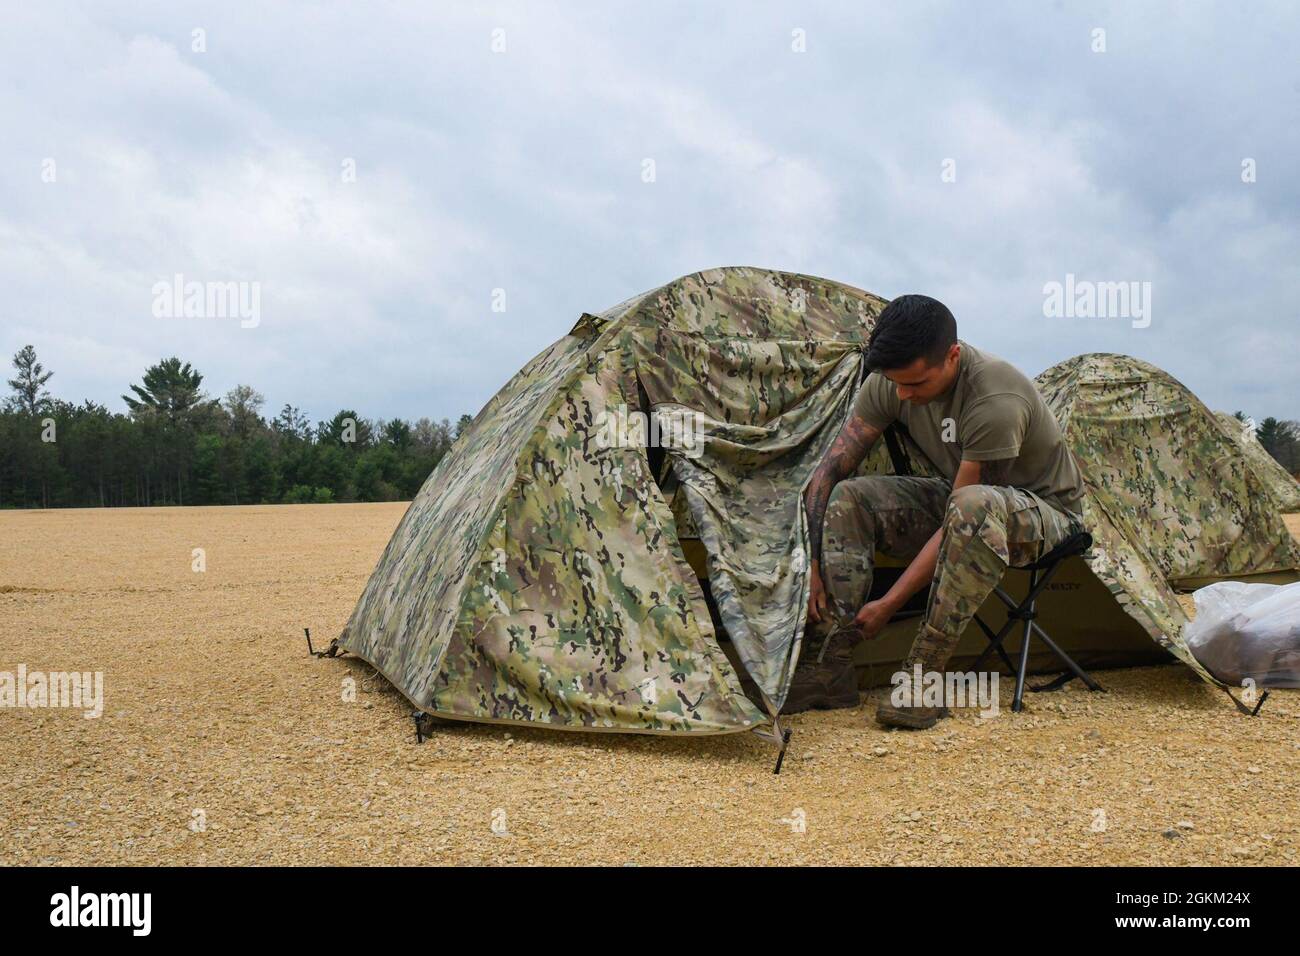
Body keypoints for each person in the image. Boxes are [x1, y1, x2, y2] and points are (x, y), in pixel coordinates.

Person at [786, 294, 1086, 727]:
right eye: (897, 384)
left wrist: (890, 603)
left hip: (1045, 513)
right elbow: (828, 471)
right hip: (963, 500)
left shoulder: (995, 397)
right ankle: (827, 667)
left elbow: (967, 515)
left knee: (971, 507)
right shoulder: (892, 382)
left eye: (917, 384)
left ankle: (923, 678)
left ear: (952, 356)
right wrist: (811, 559)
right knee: (850, 497)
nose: (904, 395)